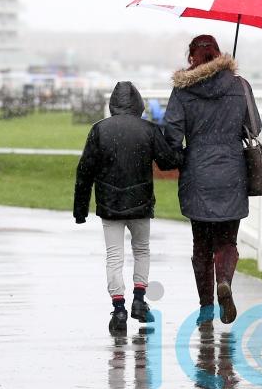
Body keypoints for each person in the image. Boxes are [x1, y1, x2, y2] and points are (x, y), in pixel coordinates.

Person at [163, 35, 261, 326]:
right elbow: (254, 126)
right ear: (220, 55)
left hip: (197, 175)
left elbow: (171, 134)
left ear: (191, 57)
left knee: (201, 246)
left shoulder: (182, 91)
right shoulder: (239, 85)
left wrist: (183, 155)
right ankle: (225, 281)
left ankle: (206, 309)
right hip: (232, 174)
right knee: (227, 241)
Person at [74, 81, 181, 334]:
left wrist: (80, 210)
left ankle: (119, 308)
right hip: (140, 203)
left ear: (113, 104)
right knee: (142, 251)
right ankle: (140, 301)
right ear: (139, 104)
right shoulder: (149, 129)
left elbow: (84, 171)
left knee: (114, 256)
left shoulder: (99, 130)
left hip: (110, 204)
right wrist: (183, 150)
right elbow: (168, 162)